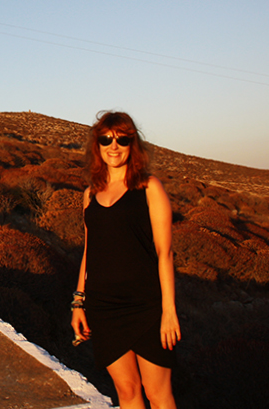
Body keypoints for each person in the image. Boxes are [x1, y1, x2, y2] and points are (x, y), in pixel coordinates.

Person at [71, 111, 180, 409]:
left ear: (133, 143)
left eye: (122, 139)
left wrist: (168, 311)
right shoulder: (90, 193)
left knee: (158, 395)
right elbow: (90, 250)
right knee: (127, 390)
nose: (113, 146)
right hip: (103, 306)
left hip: (146, 305)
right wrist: (78, 301)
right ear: (97, 145)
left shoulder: (149, 187)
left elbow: (164, 253)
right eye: (106, 139)